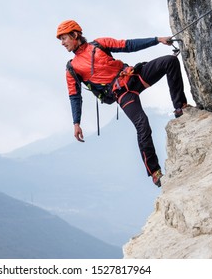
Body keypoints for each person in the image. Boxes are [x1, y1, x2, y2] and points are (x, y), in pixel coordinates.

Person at [56, 20, 188, 187]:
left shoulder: (99, 44)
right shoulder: (72, 68)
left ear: (75, 35)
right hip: (122, 93)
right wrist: (76, 123)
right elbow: (75, 96)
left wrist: (157, 40)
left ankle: (180, 107)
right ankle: (155, 172)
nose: (62, 43)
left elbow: (128, 45)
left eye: (64, 38)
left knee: (170, 61)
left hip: (134, 76)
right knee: (142, 124)